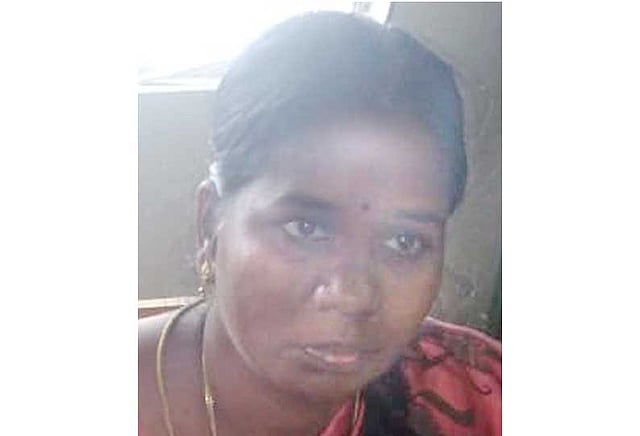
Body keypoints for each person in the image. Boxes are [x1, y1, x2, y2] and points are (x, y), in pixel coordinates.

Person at [139, 11, 501, 436]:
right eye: (305, 229)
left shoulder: (480, 399)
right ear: (210, 223)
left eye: (405, 241)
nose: (353, 296)